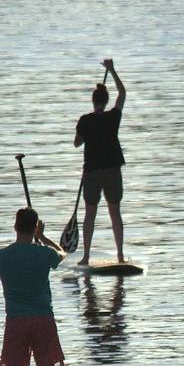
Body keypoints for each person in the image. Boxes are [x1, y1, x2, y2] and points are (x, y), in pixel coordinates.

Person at [0, 207, 67, 366]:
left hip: (16, 322)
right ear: (36, 227)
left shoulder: (1, 256)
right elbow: (62, 254)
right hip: (43, 320)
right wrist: (43, 238)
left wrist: (34, 239)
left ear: (15, 226)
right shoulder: (43, 253)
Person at [74, 58, 127, 265]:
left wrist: (87, 132)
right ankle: (120, 256)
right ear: (105, 102)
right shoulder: (113, 117)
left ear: (93, 101)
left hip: (92, 172)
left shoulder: (85, 120)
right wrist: (112, 70)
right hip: (112, 170)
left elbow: (76, 144)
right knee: (115, 213)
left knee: (90, 215)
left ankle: (86, 257)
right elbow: (122, 94)